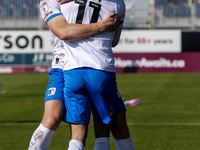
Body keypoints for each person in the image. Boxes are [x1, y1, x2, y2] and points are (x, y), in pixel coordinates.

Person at [39, 0, 135, 150]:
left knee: (79, 133)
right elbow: (114, 40)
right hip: (96, 69)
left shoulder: (59, 3)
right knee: (109, 125)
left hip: (72, 70)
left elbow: (62, 30)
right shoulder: (118, 4)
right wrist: (102, 26)